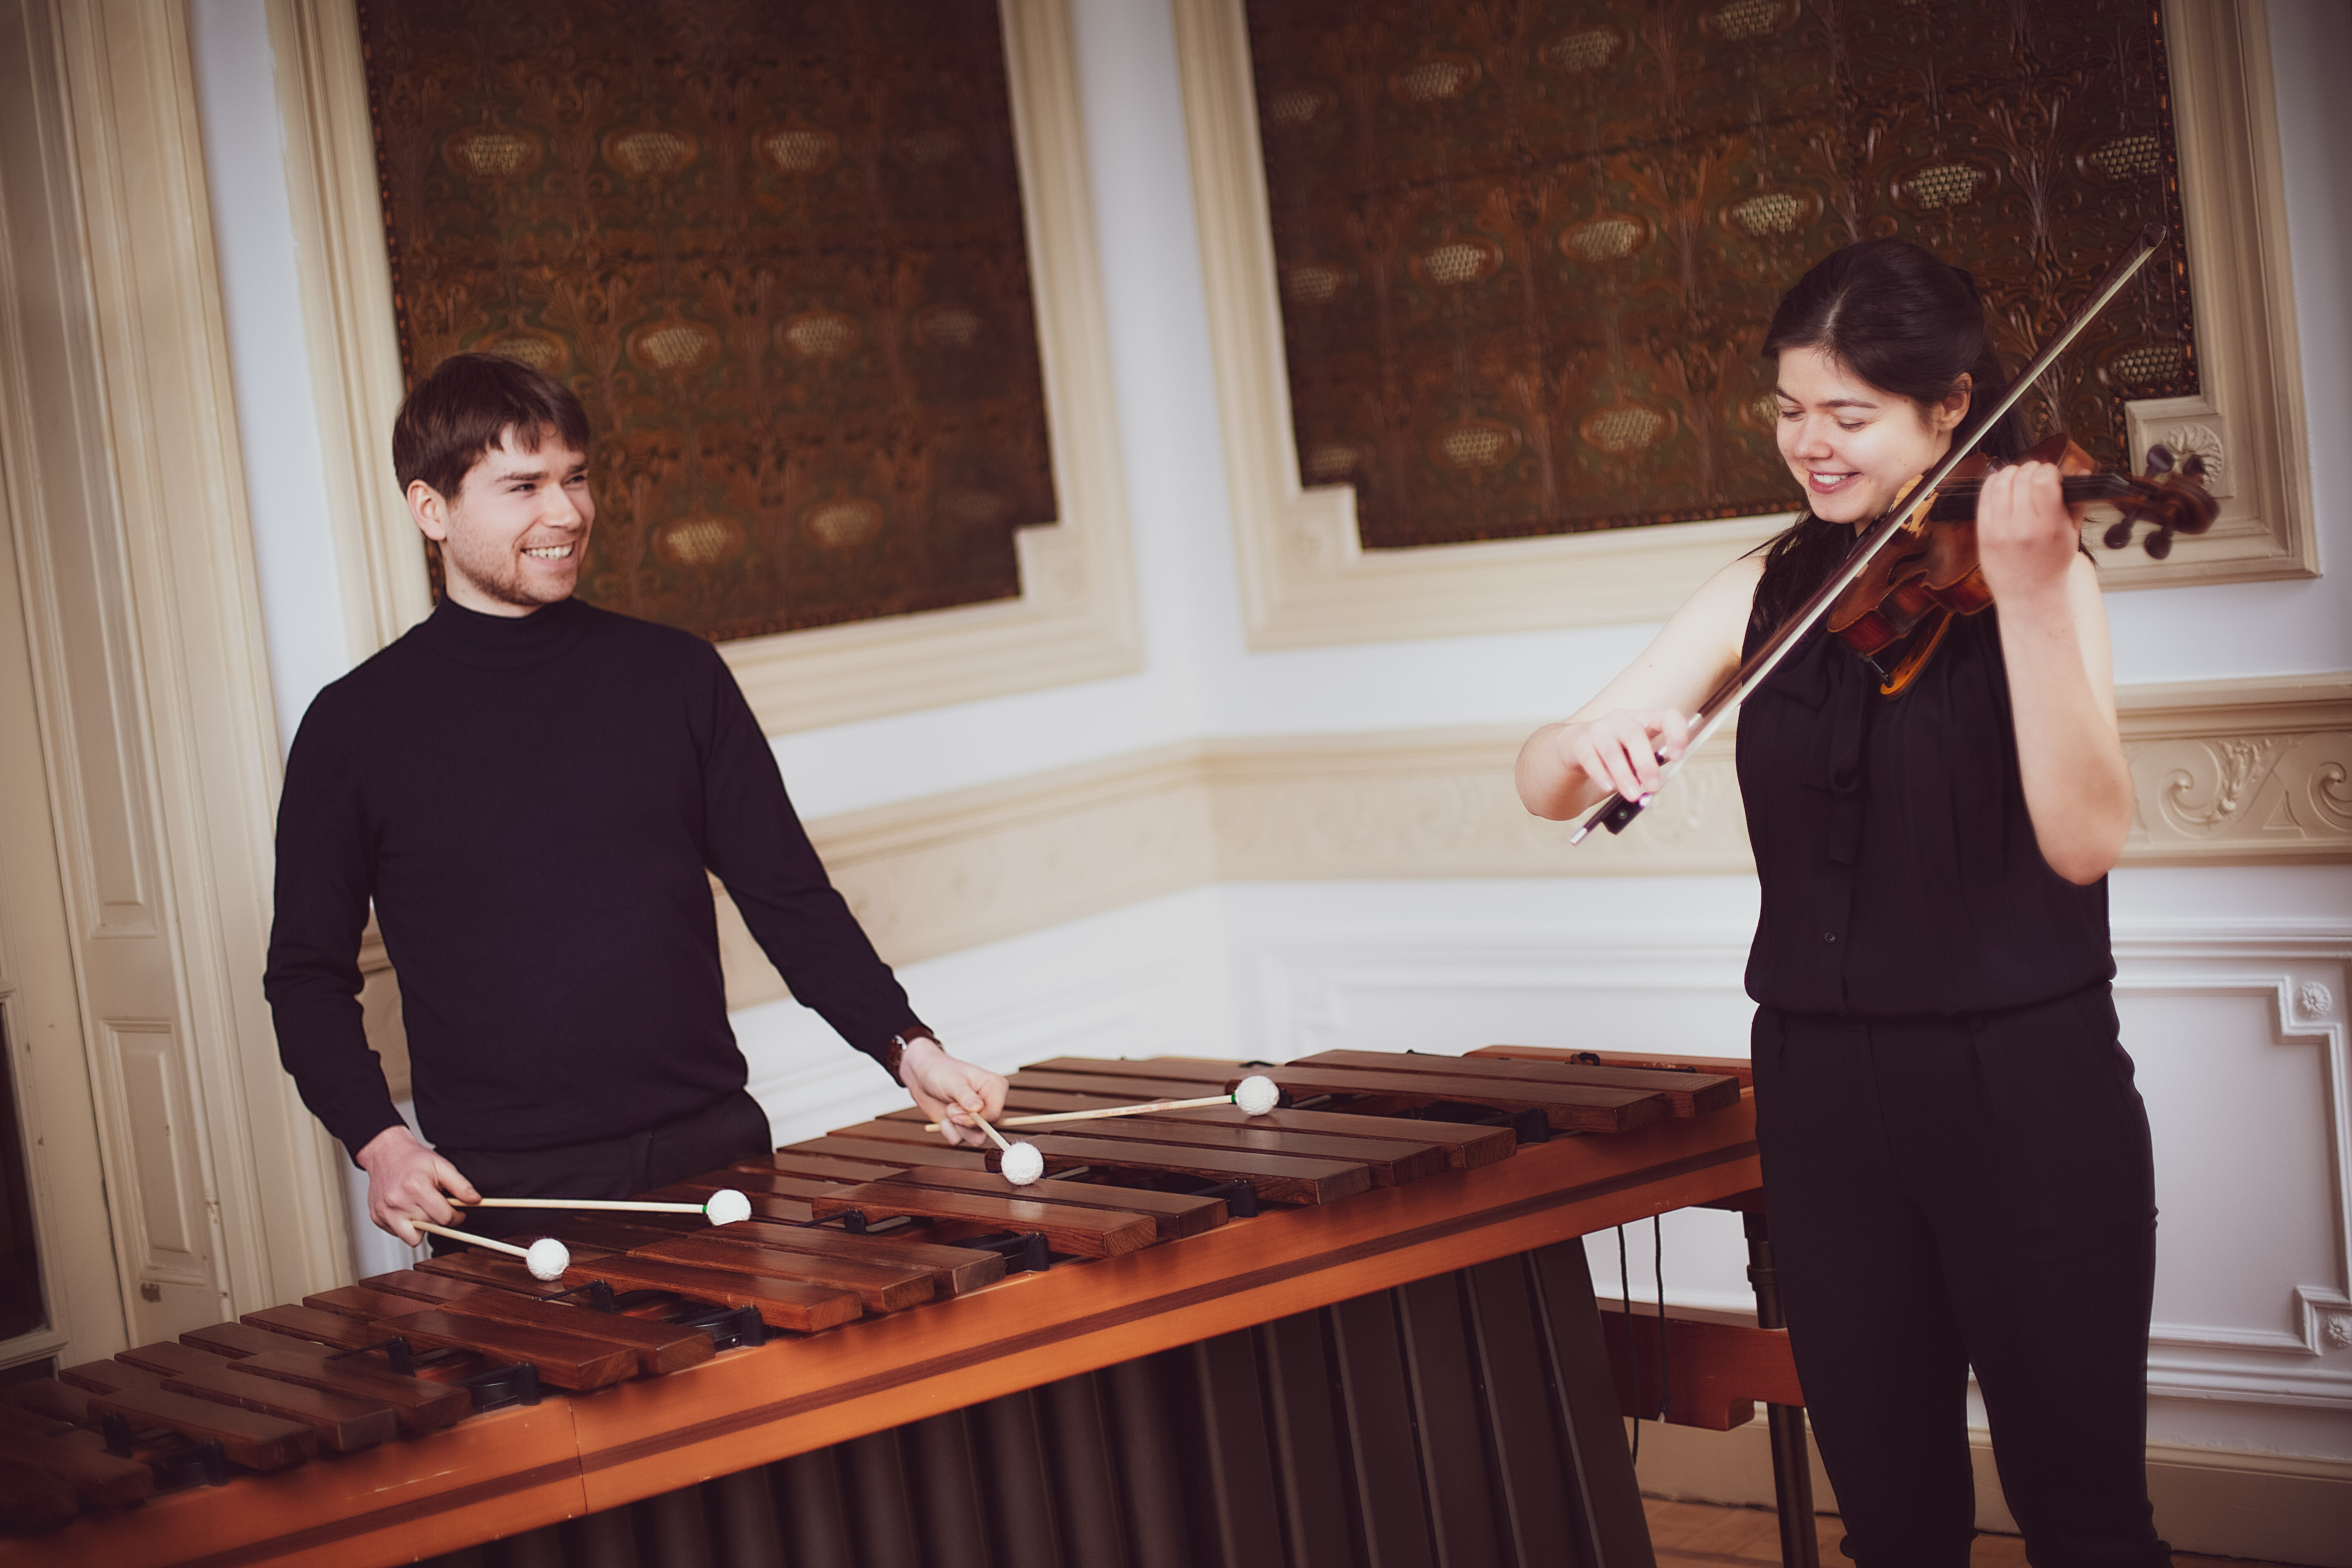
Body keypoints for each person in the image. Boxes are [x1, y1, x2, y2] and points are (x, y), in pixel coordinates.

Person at [1515, 241, 2169, 1566]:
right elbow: (1539, 778)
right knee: (1893, 1520)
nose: (1808, 444)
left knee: (2087, 1521)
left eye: (1848, 415)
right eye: (1788, 409)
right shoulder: (1767, 588)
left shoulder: (2039, 586)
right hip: (1820, 1093)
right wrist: (1593, 747)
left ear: (1950, 407)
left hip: (2020, 1086)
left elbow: (2088, 840)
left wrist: (2038, 601)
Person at [267, 353, 1008, 1249]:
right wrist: (378, 1140)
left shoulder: (677, 676)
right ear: (432, 509)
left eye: (576, 479)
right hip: (509, 1193)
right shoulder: (355, 727)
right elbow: (306, 974)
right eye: (523, 486)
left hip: (718, 1159)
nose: (566, 512)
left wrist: (905, 1045)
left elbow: (788, 896)